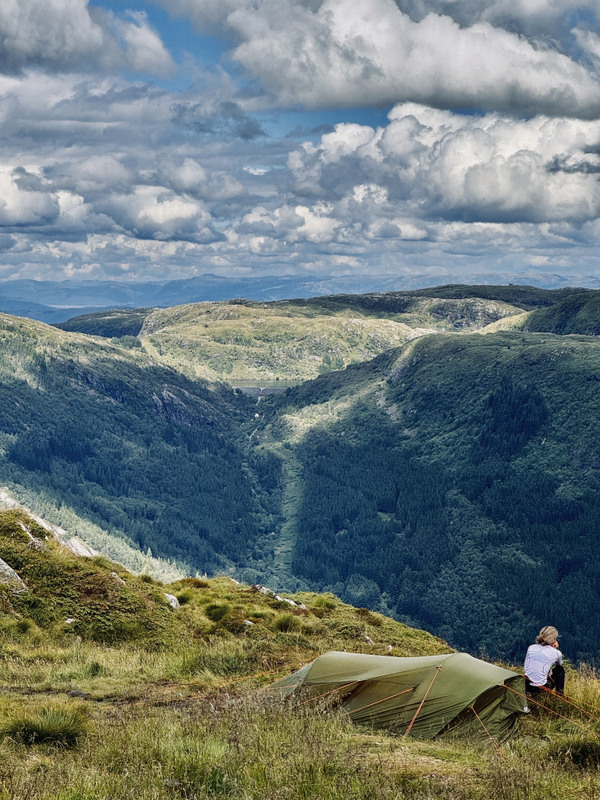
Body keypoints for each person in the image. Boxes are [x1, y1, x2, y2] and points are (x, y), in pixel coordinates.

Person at [524, 625, 565, 695]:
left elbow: (527, 667)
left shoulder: (531, 648)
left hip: (526, 685)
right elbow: (559, 664)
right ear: (554, 639)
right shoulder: (556, 653)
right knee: (560, 670)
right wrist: (554, 649)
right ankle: (559, 695)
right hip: (541, 688)